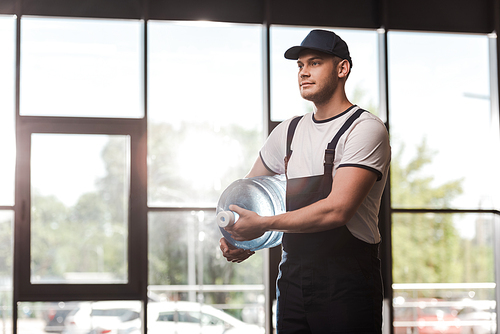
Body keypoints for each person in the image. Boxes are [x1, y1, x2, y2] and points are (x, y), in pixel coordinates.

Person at [219, 29, 391, 333]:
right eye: (300, 66)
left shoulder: (365, 129)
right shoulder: (288, 131)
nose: (303, 73)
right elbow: (244, 195)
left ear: (342, 69)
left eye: (314, 63)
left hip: (348, 282)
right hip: (293, 276)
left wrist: (262, 224)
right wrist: (241, 239)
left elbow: (337, 210)